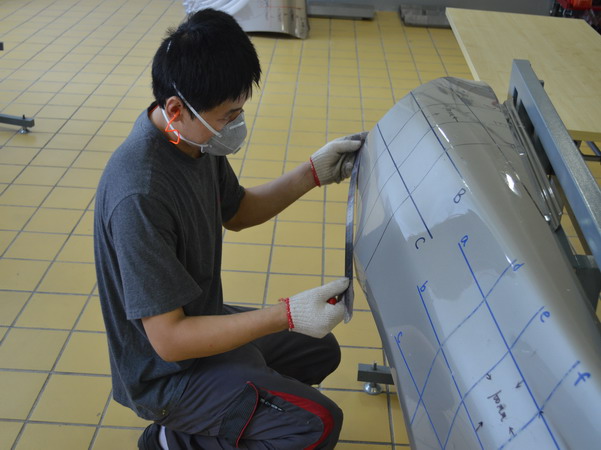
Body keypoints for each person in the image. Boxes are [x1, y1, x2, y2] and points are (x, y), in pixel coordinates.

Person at [94, 8, 365, 450]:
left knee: (319, 350)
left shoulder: (193, 140)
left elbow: (237, 211)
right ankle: (173, 439)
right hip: (165, 373)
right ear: (176, 109)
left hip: (199, 321)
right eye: (228, 115)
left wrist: (313, 173)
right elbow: (170, 340)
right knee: (317, 424)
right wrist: (286, 314)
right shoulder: (140, 194)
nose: (235, 125)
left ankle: (224, 410)